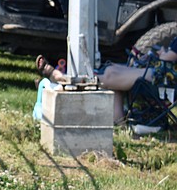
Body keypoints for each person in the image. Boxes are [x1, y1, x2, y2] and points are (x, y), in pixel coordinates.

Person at [36, 39, 177, 125]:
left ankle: (63, 81)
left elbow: (167, 59)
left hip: (165, 80)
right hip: (161, 76)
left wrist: (162, 53)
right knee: (111, 70)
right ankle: (117, 119)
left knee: (110, 78)